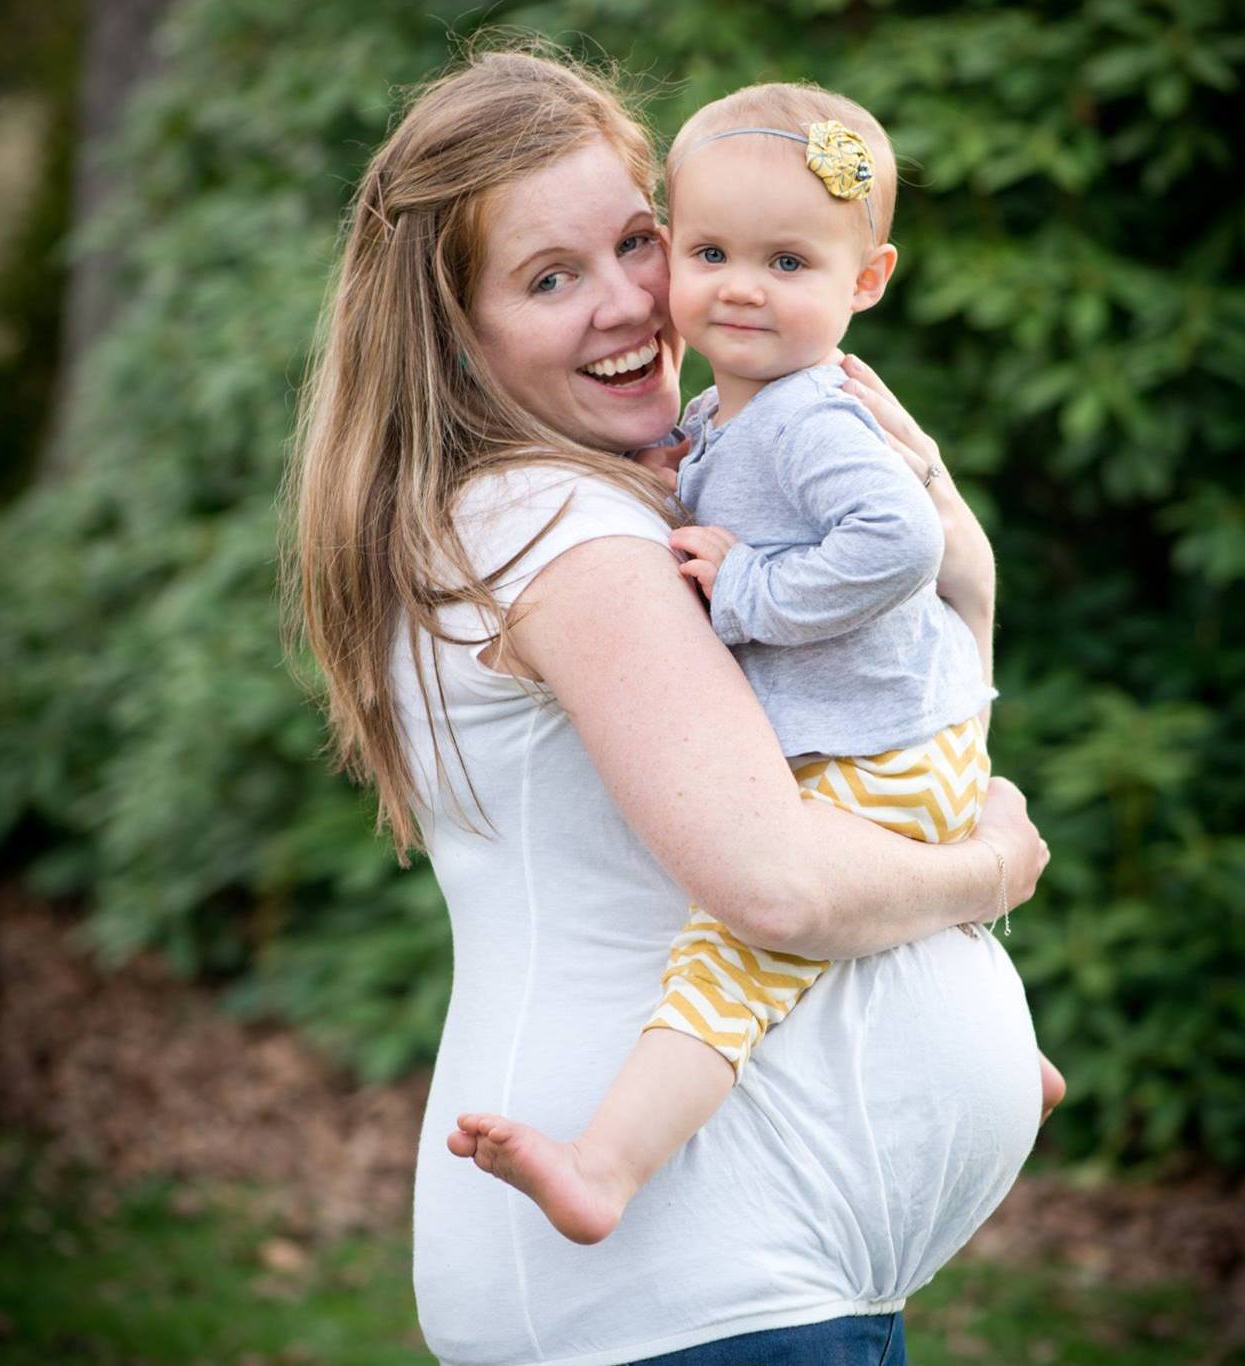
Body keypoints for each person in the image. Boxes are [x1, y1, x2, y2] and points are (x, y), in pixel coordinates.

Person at [287, 42, 1051, 1366]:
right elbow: (779, 888)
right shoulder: (560, 527)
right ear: (455, 334)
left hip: (747, 1281)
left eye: (637, 241)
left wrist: (961, 572)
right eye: (548, 278)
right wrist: (992, 867)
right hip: (677, 1293)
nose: (631, 302)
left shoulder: (667, 477)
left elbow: (884, 702)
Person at [449, 78, 1067, 1250]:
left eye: (787, 262)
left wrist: (748, 590)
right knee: (816, 908)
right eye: (708, 253)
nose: (737, 287)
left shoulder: (807, 415)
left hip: (874, 745)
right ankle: (1002, 1039)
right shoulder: (723, 420)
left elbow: (900, 543)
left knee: (726, 966)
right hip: (884, 735)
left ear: (865, 281)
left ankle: (605, 1166)